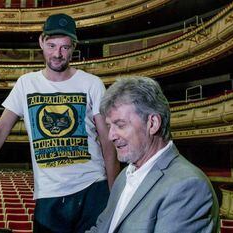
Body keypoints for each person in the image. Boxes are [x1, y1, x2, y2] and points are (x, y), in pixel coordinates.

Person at [0, 13, 120, 233]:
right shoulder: (26, 84)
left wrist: (116, 195)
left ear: (73, 47)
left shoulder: (92, 84)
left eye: (64, 47)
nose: (57, 54)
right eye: (51, 45)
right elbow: (0, 130)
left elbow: (109, 143)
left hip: (93, 189)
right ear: (41, 41)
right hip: (48, 194)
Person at [87, 77, 219, 233]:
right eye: (109, 126)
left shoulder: (188, 187)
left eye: (120, 125)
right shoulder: (124, 176)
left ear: (153, 123)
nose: (111, 136)